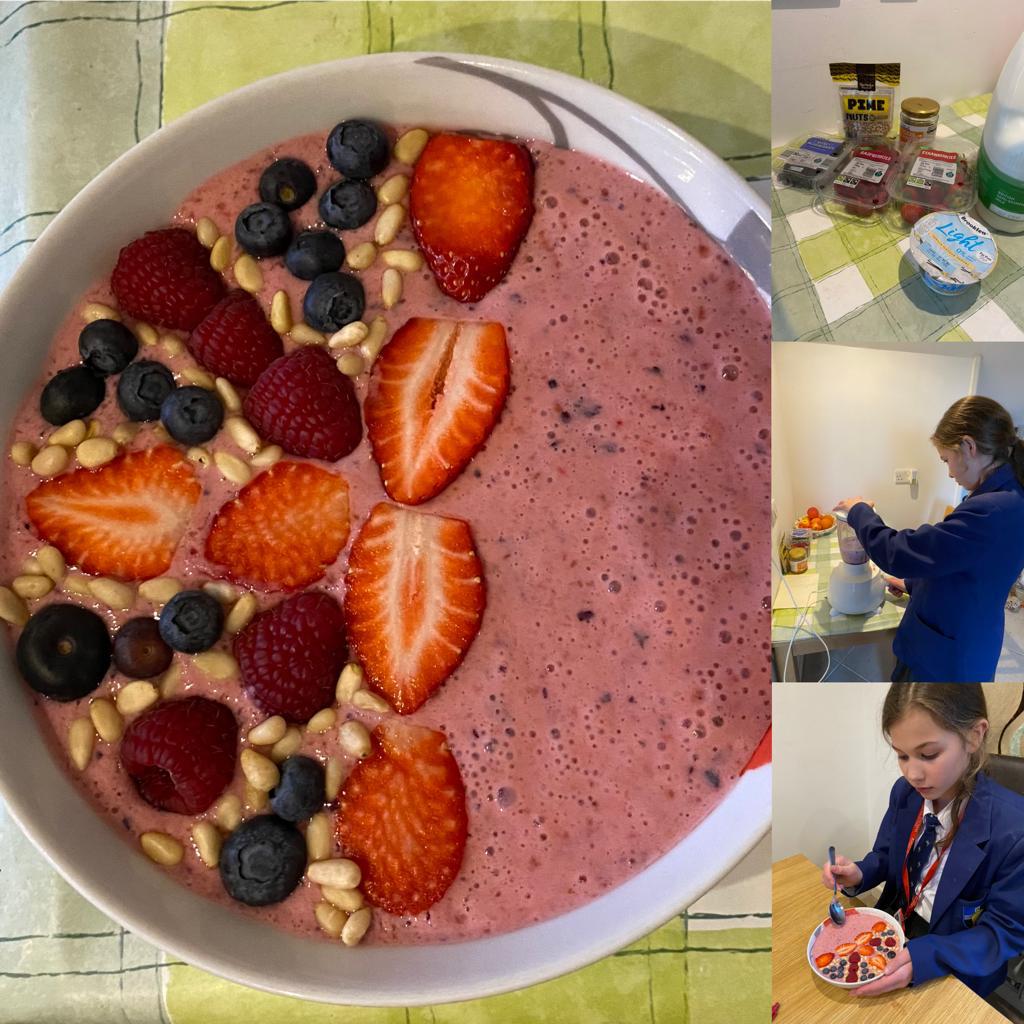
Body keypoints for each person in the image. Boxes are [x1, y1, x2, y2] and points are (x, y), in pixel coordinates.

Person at [822, 683, 1024, 998]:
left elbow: (1004, 932)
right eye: (902, 755)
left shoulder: (1013, 829)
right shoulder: (905, 794)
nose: (913, 773)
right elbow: (887, 857)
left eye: (928, 755)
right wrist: (859, 873)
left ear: (974, 735)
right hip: (896, 927)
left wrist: (929, 955)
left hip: (959, 960)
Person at [835, 395, 1024, 682]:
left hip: (947, 655)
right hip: (972, 633)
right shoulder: (1010, 495)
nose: (949, 472)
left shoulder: (992, 510)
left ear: (969, 446)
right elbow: (964, 563)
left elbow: (899, 554)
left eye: (947, 459)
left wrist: (859, 512)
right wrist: (913, 583)